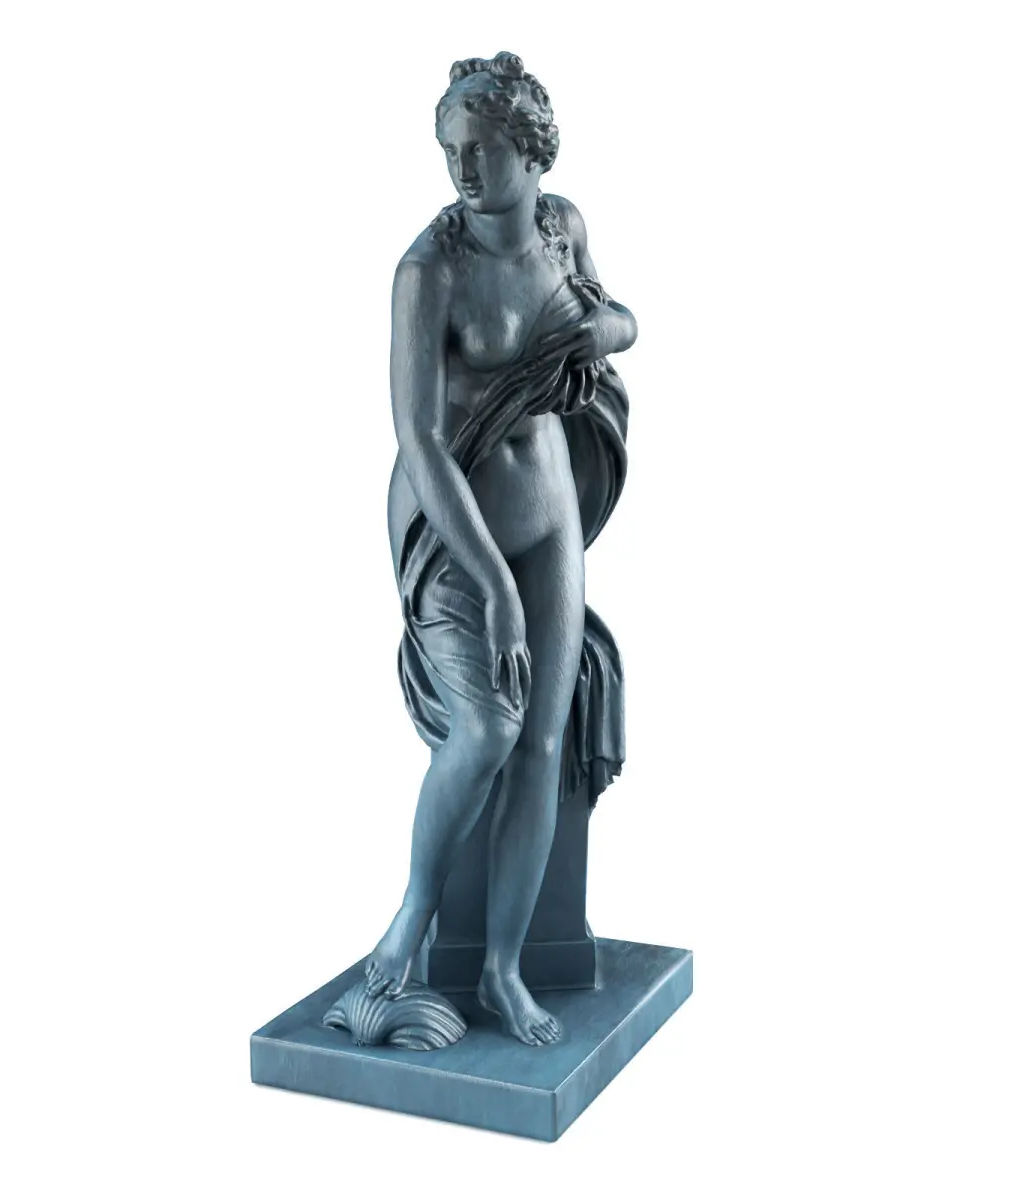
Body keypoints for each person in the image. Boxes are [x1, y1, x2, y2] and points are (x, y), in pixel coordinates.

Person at [365, 52, 637, 1046]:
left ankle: (504, 971)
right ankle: (409, 922)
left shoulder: (564, 229)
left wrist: (599, 334)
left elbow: (620, 319)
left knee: (542, 746)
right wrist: (494, 587)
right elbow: (421, 440)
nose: (463, 171)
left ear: (531, 150)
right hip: (455, 535)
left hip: (550, 514)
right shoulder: (428, 271)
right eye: (451, 151)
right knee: (484, 731)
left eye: (481, 150)